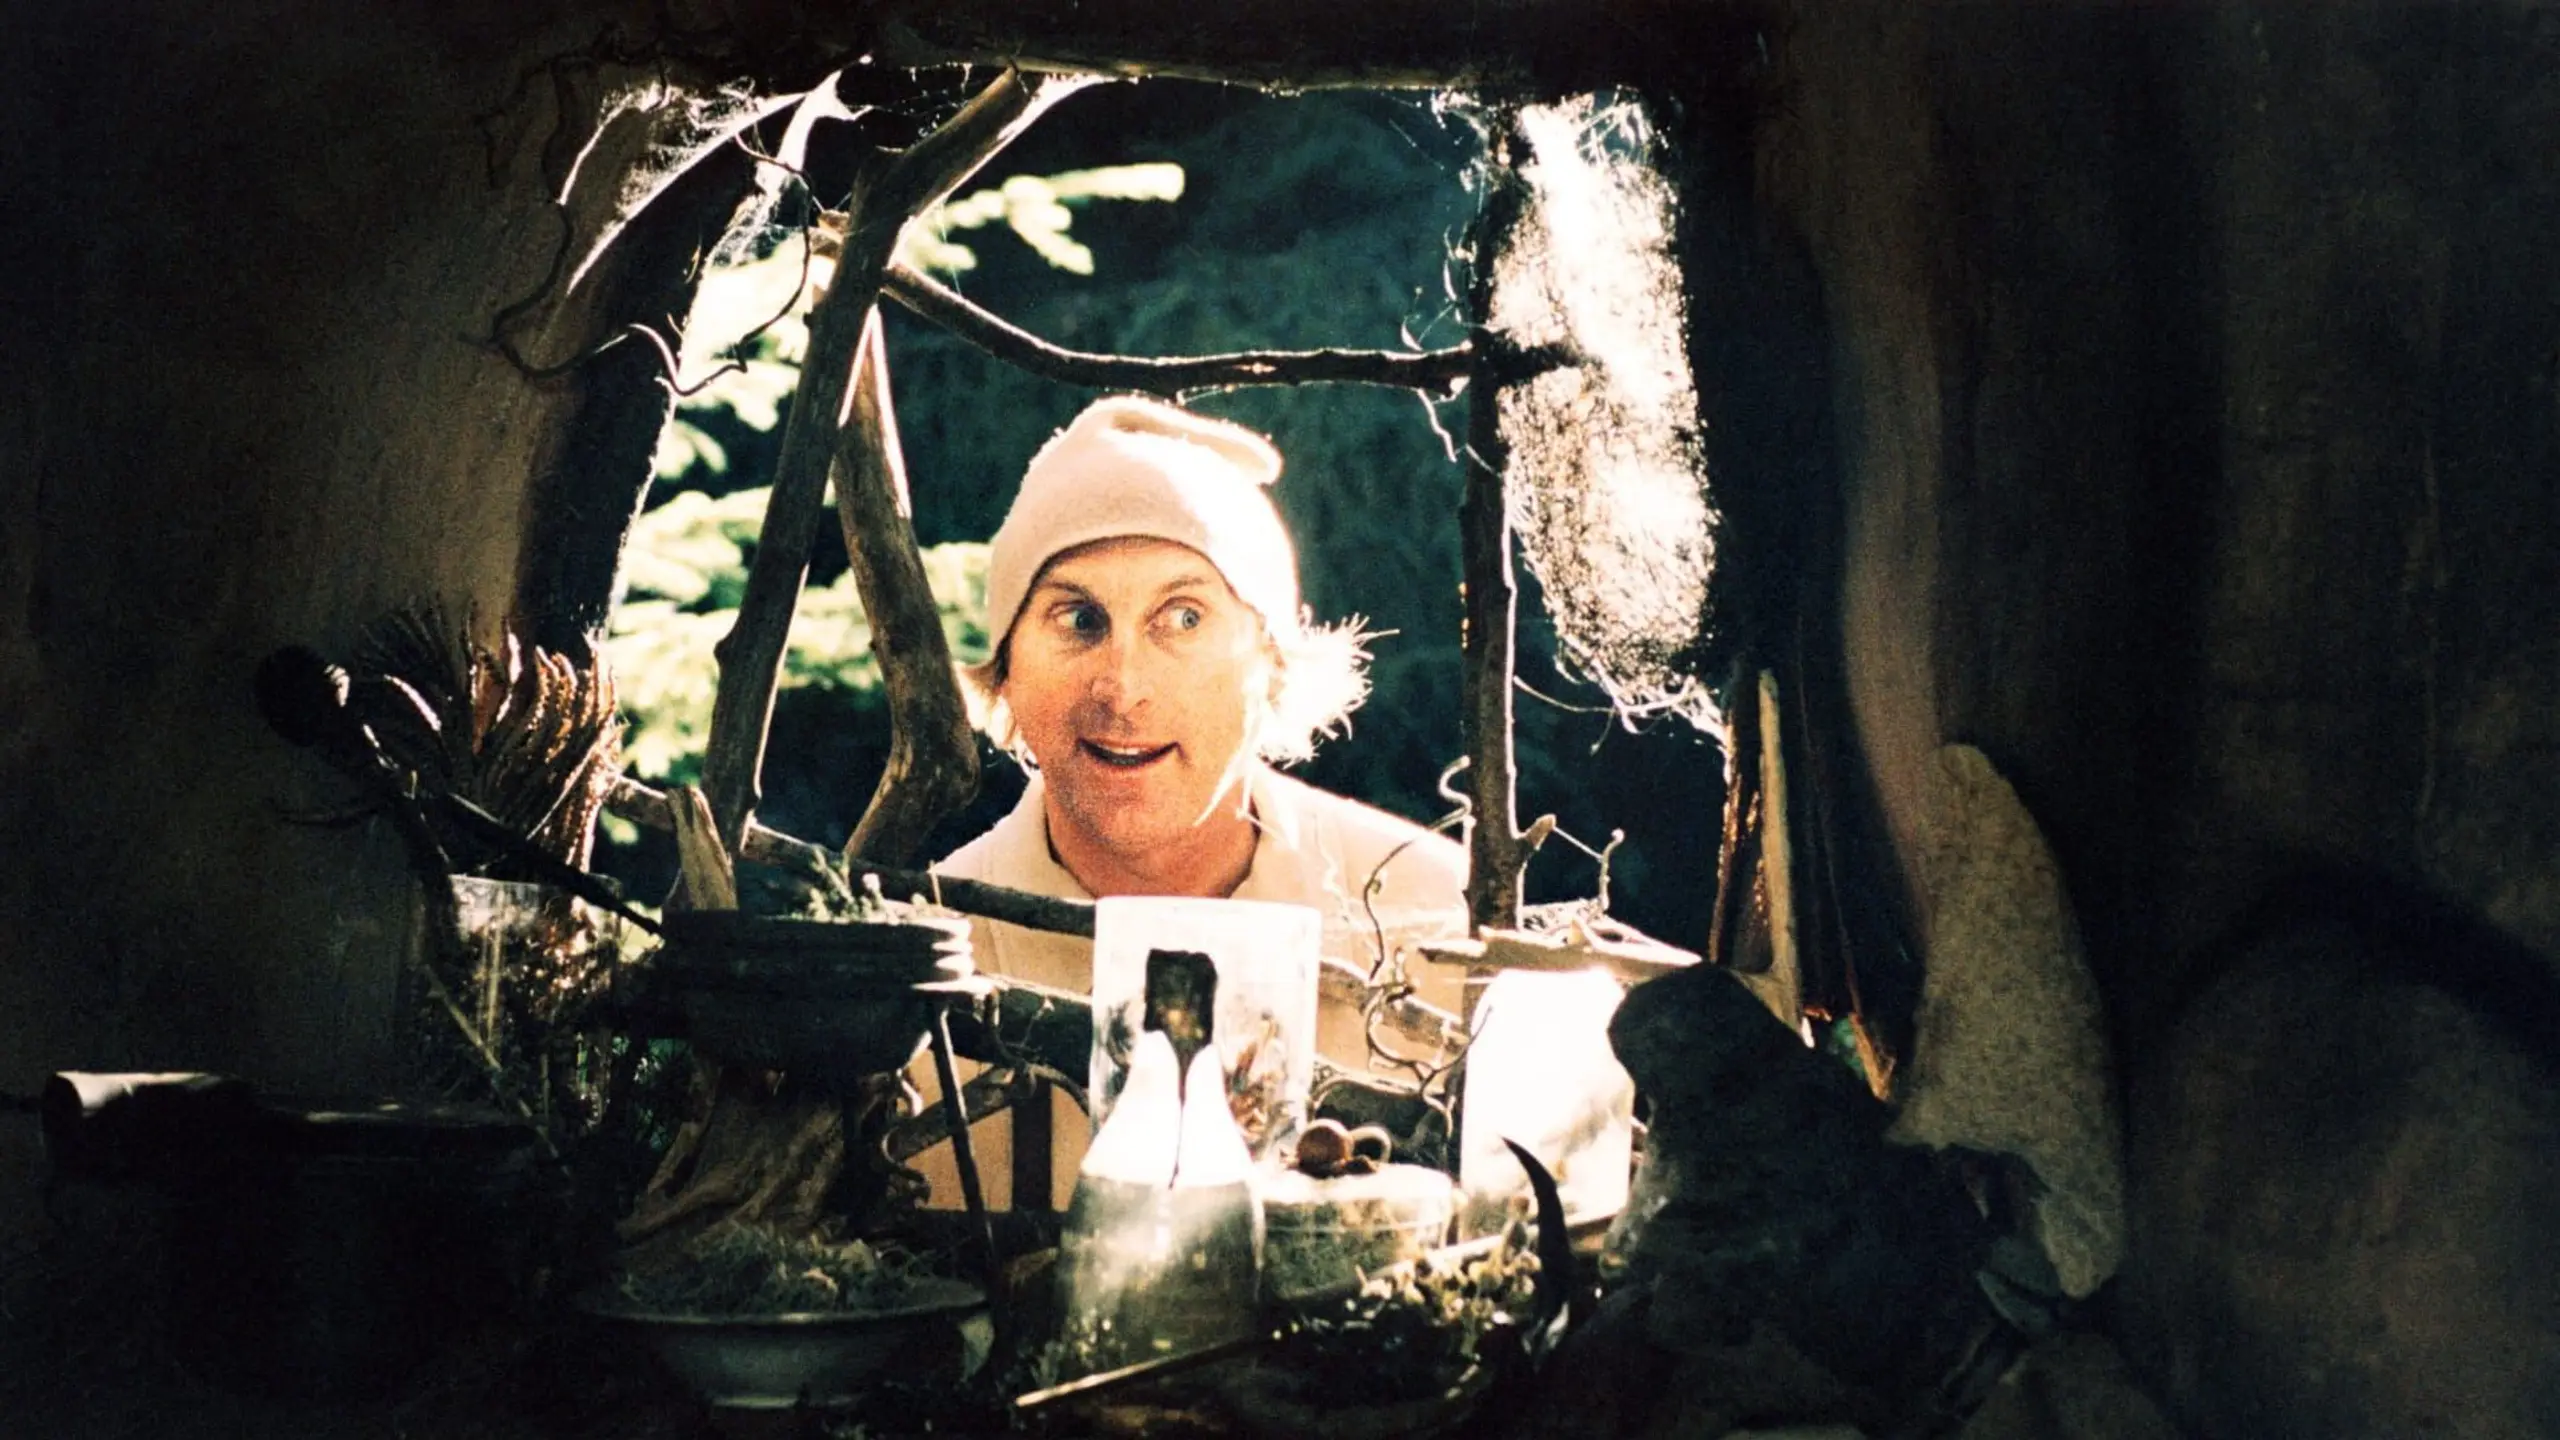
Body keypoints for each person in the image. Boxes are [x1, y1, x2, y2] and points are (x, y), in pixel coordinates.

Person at [922, 394, 1469, 1206]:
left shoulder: (1435, 921)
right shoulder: (929, 956)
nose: (1123, 688)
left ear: (1270, 658)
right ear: (1006, 667)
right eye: (1079, 619)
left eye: (1183, 617)